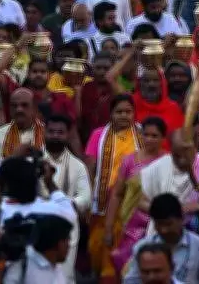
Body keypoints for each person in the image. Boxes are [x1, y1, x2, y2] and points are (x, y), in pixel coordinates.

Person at [85, 94, 144, 281]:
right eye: (119, 112)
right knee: (100, 251)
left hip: (132, 203)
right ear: (110, 114)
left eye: (128, 112)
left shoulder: (143, 136)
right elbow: (90, 168)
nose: (124, 116)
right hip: (102, 204)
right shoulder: (98, 135)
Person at [106, 117, 168, 273]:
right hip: (130, 226)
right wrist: (109, 227)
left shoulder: (168, 161)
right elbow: (117, 194)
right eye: (146, 135)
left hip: (157, 225)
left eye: (155, 136)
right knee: (128, 269)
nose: (149, 139)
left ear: (163, 138)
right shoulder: (129, 160)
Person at [123, 194, 199, 284]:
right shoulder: (142, 247)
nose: (164, 230)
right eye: (159, 224)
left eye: (168, 224)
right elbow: (131, 281)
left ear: (181, 219)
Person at [43, 114, 92, 283]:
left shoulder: (78, 166)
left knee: (64, 275)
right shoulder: (33, 162)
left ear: (67, 135)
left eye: (60, 132)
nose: (55, 136)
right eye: (51, 131)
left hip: (67, 228)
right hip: (38, 225)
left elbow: (85, 198)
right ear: (44, 132)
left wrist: (65, 205)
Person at [0, 215, 73, 284]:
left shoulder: (57, 268)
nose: (69, 246)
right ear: (59, 244)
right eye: (67, 240)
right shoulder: (22, 265)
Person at [0, 88, 45, 166]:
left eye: (24, 105)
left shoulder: (46, 132)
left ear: (34, 108)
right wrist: (14, 158)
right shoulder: (0, 133)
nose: (19, 109)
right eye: (14, 106)